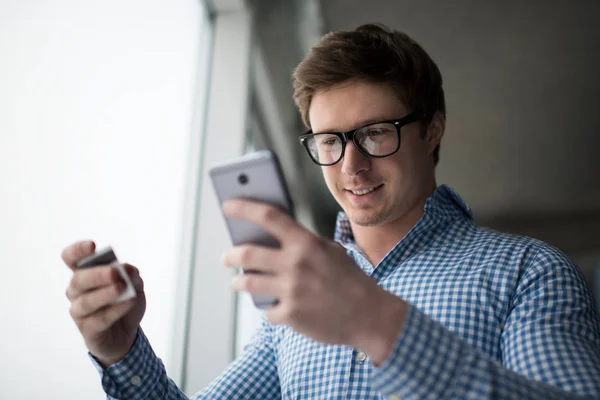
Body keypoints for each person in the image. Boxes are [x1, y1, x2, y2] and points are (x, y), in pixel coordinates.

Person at [62, 24, 600, 399]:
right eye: (329, 142)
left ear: (431, 128)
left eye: (374, 133)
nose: (352, 167)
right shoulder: (292, 314)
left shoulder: (529, 272)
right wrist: (120, 351)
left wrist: (378, 323)